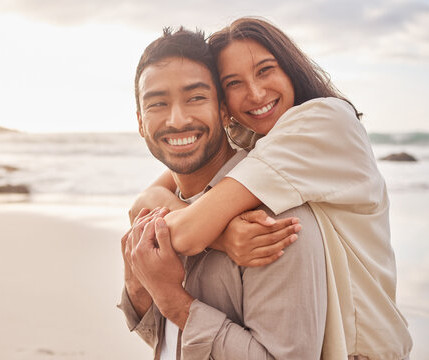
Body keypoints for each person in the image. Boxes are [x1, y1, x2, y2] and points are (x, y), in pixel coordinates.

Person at [134, 18, 412, 359]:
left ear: (291, 67)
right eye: (233, 83)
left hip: (363, 350)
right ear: (225, 105)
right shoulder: (261, 138)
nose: (254, 93)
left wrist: (208, 242)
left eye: (265, 70)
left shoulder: (324, 123)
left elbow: (189, 233)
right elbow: (148, 197)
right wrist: (223, 235)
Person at [118, 27, 327, 359]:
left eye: (196, 97)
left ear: (224, 111)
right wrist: (138, 284)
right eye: (158, 103)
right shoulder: (164, 211)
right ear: (141, 121)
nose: (177, 120)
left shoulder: (273, 219)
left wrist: (170, 295)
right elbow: (170, 340)